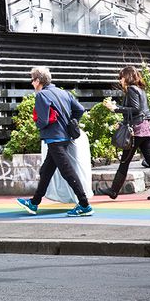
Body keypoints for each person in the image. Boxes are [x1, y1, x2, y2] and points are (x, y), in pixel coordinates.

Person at [16, 66, 92, 217]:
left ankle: (84, 205)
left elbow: (43, 121)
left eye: (32, 80)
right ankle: (34, 203)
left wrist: (38, 124)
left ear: (38, 81)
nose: (31, 83)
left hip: (53, 138)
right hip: (64, 137)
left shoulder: (42, 96)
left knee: (67, 171)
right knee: (46, 171)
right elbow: (80, 110)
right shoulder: (64, 93)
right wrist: (71, 122)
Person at [102, 66, 150, 200]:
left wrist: (116, 108)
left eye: (121, 77)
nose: (120, 81)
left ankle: (113, 191)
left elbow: (136, 109)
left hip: (137, 130)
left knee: (125, 160)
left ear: (127, 77)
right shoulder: (141, 90)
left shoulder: (132, 89)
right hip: (146, 127)